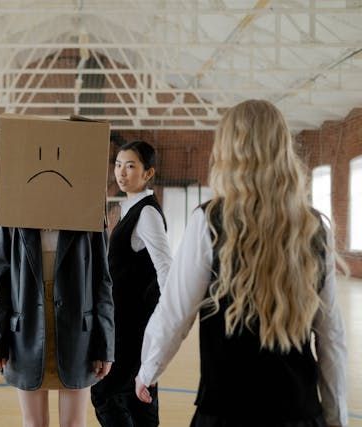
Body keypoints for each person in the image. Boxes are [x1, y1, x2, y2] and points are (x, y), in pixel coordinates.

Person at [135, 100, 348, 427]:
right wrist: (336, 418)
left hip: (225, 410)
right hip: (300, 413)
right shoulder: (314, 228)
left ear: (227, 150)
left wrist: (148, 369)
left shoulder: (208, 221)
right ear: (283, 148)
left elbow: (175, 313)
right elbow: (331, 337)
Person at [0, 225, 115, 427]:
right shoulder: (12, 211)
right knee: (34, 423)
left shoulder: (87, 209)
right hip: (25, 332)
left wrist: (106, 346)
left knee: (73, 423)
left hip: (78, 333)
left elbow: (102, 282)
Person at [91, 140, 172, 426]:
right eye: (118, 165)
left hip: (134, 324)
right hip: (126, 321)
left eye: (130, 166)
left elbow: (166, 268)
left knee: (106, 394)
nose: (121, 173)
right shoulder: (132, 207)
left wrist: (164, 318)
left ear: (148, 173)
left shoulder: (147, 213)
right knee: (137, 396)